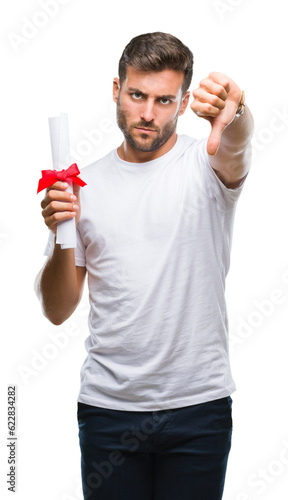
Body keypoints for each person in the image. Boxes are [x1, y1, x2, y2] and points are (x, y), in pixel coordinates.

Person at [36, 32, 254, 500]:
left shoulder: (207, 163)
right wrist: (61, 235)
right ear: (117, 90)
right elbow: (57, 310)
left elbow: (237, 140)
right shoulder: (82, 186)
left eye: (164, 100)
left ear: (184, 101)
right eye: (137, 95)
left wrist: (236, 110)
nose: (149, 113)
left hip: (198, 407)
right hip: (109, 410)